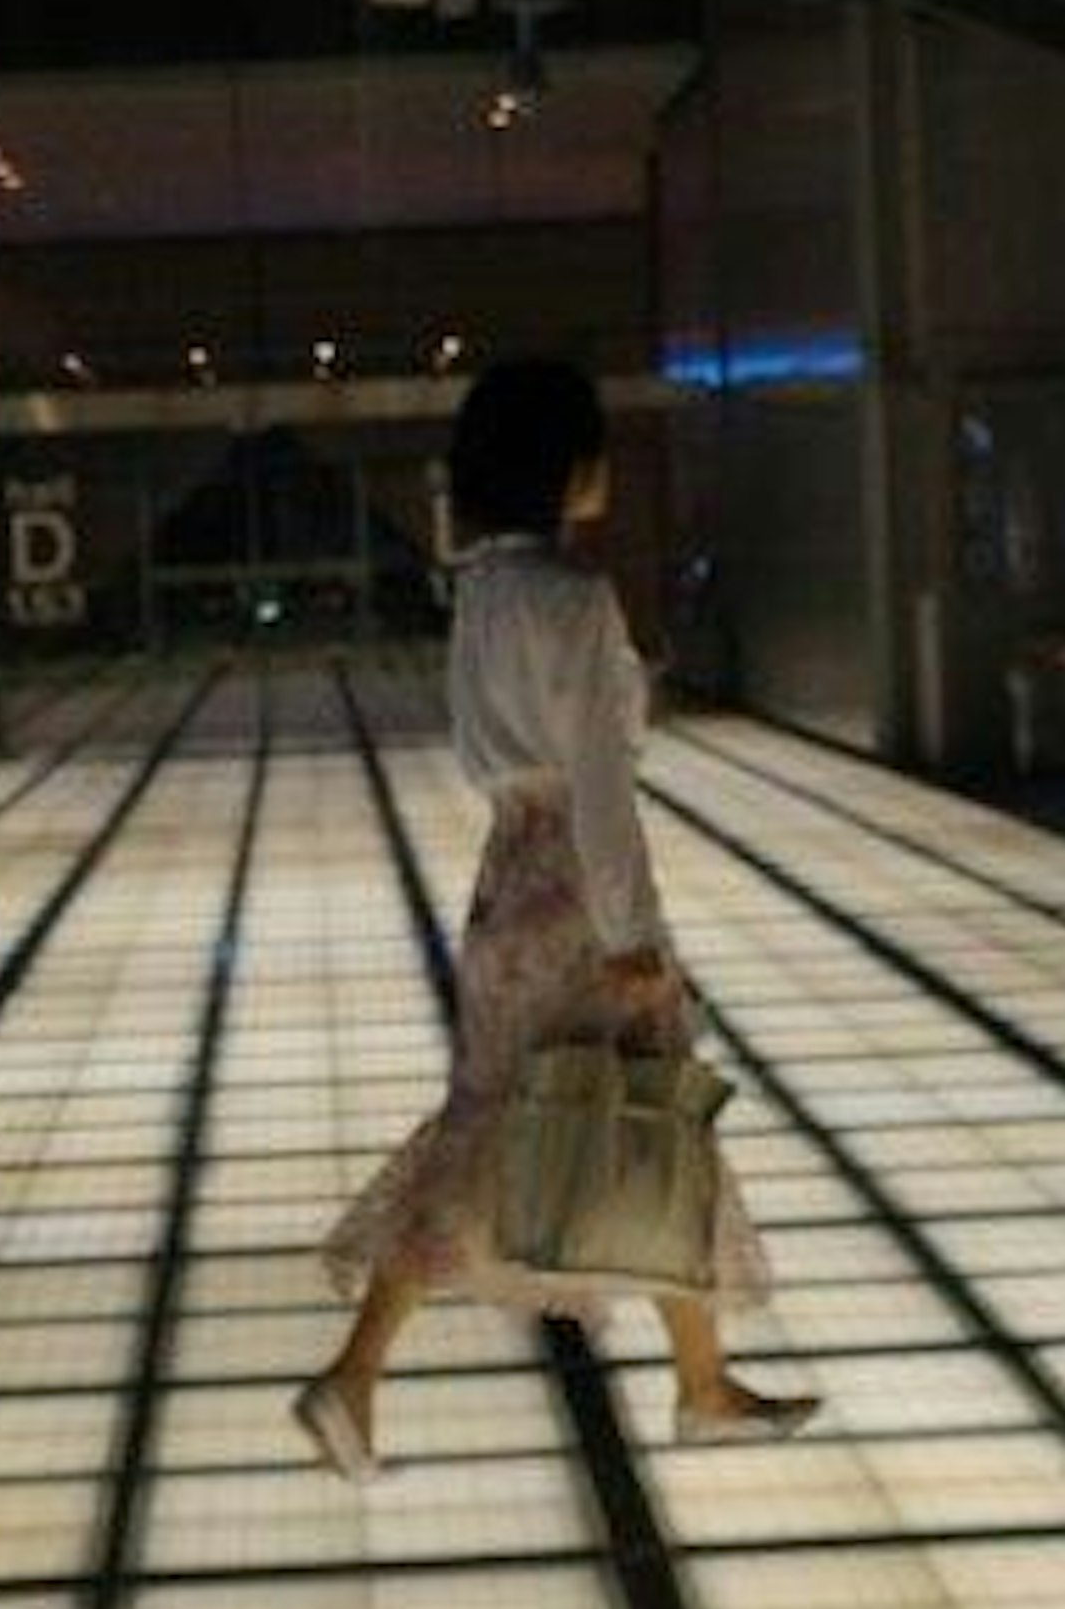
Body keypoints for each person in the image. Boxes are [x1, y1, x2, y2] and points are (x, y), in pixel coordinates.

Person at [298, 356, 816, 1472]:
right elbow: (599, 784)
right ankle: (698, 1384)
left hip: (506, 883)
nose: (602, 467)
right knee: (653, 1109)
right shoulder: (574, 597)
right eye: (592, 449)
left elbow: (522, 750)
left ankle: (363, 1378)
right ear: (562, 466)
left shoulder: (482, 588)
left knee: (494, 1119)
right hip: (580, 890)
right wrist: (632, 935)